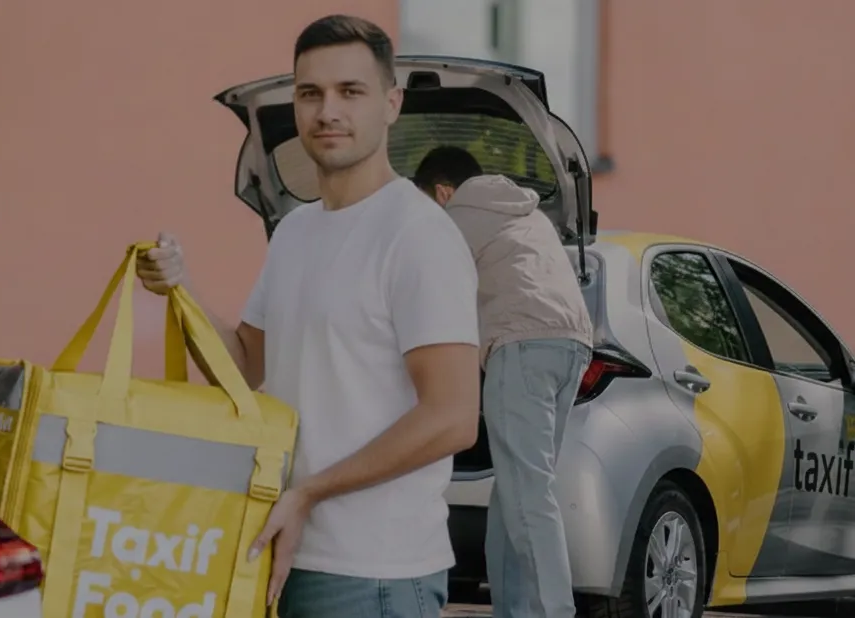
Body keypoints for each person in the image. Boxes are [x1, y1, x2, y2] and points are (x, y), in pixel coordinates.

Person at [136, 15, 481, 618]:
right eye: (310, 93)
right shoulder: (295, 230)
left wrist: (310, 493)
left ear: (391, 104)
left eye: (351, 91)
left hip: (373, 574)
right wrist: (180, 291)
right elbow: (244, 367)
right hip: (282, 547)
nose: (328, 111)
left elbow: (452, 419)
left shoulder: (418, 235)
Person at [413, 145, 594, 618]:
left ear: (443, 192)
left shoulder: (456, 217)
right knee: (516, 491)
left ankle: (553, 612)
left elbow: (423, 291)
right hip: (571, 346)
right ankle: (514, 610)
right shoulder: (525, 212)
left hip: (522, 346)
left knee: (528, 495)